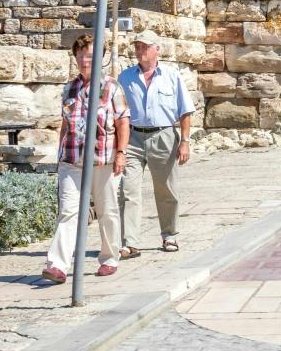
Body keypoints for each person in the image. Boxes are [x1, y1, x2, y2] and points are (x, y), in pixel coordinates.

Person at [43, 34, 128, 284]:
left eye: (89, 55)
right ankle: (58, 265)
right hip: (72, 159)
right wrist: (59, 154)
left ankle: (110, 257)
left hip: (104, 158)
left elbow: (123, 120)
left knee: (107, 210)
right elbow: (65, 123)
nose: (84, 60)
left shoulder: (111, 87)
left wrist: (121, 154)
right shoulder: (70, 88)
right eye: (80, 56)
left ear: (99, 57)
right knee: (68, 211)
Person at [116, 31, 193, 254]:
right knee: (127, 190)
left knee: (166, 190)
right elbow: (119, 112)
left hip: (164, 136)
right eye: (137, 47)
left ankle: (169, 235)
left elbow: (185, 111)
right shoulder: (125, 77)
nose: (139, 51)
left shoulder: (171, 75)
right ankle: (130, 242)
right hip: (133, 138)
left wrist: (185, 141)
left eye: (144, 47)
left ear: (156, 49)